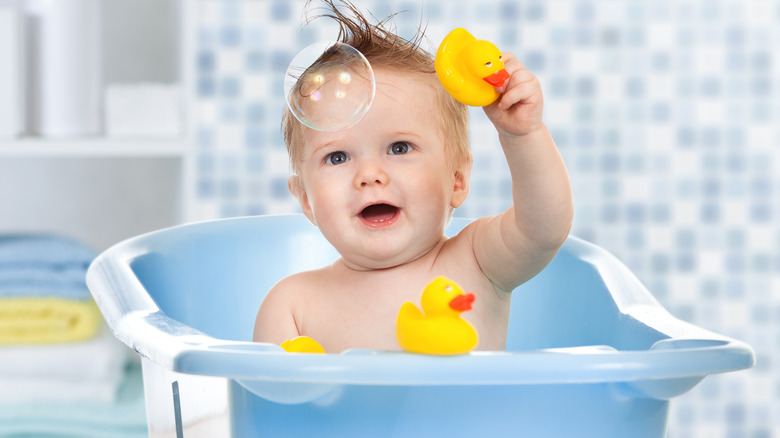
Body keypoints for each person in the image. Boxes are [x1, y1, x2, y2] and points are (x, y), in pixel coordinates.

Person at [254, 1, 573, 353]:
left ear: (457, 181)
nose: (370, 175)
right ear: (305, 200)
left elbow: (544, 229)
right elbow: (267, 403)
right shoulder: (292, 305)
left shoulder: (478, 263)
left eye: (400, 148)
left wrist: (522, 136)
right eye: (338, 156)